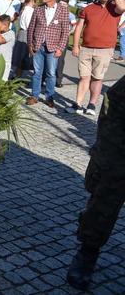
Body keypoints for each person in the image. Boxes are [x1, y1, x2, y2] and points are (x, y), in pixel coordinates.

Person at [66, 73, 125, 291]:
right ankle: (87, 253)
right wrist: (107, 159)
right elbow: (113, 112)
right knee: (104, 201)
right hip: (120, 155)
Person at [66, 0, 125, 115]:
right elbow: (79, 28)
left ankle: (92, 104)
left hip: (104, 49)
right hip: (86, 48)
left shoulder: (114, 9)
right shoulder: (88, 9)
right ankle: (78, 104)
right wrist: (76, 45)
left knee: (97, 78)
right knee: (83, 77)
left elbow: (123, 7)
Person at [25, 0, 70, 108]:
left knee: (51, 73)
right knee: (37, 72)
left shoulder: (63, 10)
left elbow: (65, 31)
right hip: (38, 46)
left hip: (53, 48)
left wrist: (60, 48)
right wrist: (30, 44)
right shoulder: (38, 9)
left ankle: (49, 96)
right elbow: (31, 28)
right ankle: (34, 96)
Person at [54, 0, 77, 88]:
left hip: (63, 38)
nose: (62, 5)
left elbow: (74, 26)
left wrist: (68, 33)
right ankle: (45, 78)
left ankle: (58, 79)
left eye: (64, 4)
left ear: (67, 5)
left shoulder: (70, 15)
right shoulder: (54, 13)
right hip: (53, 37)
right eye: (61, 4)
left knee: (60, 59)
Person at [11, 0, 36, 78]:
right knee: (24, 55)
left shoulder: (24, 9)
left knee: (21, 55)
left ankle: (18, 74)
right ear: (32, 1)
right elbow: (29, 25)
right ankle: (20, 76)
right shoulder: (30, 11)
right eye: (35, 1)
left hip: (22, 32)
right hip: (26, 33)